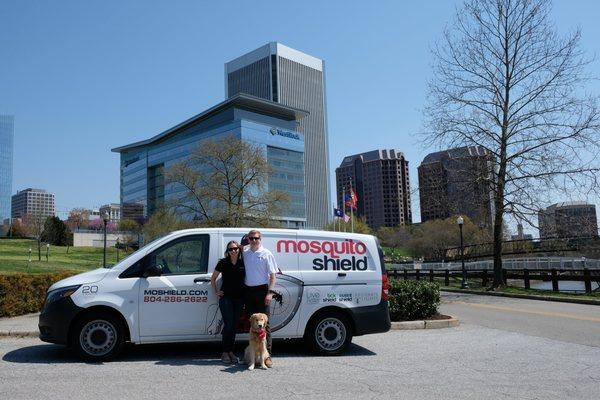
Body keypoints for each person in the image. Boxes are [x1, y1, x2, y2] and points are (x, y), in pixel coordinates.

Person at [243, 229, 278, 368]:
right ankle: (252, 356)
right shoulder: (245, 254)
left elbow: (273, 276)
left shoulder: (266, 253)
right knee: (252, 324)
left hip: (262, 291)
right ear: (248, 239)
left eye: (256, 238)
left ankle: (267, 356)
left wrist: (270, 293)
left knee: (265, 325)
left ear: (260, 239)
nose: (254, 240)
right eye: (251, 238)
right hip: (248, 291)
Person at [211, 240, 245, 364]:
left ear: (239, 250)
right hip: (226, 299)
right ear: (228, 251)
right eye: (231, 249)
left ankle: (231, 352)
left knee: (234, 326)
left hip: (239, 299)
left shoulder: (243, 263)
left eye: (236, 248)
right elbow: (213, 278)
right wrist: (216, 291)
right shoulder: (223, 263)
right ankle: (225, 352)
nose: (234, 251)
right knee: (229, 324)